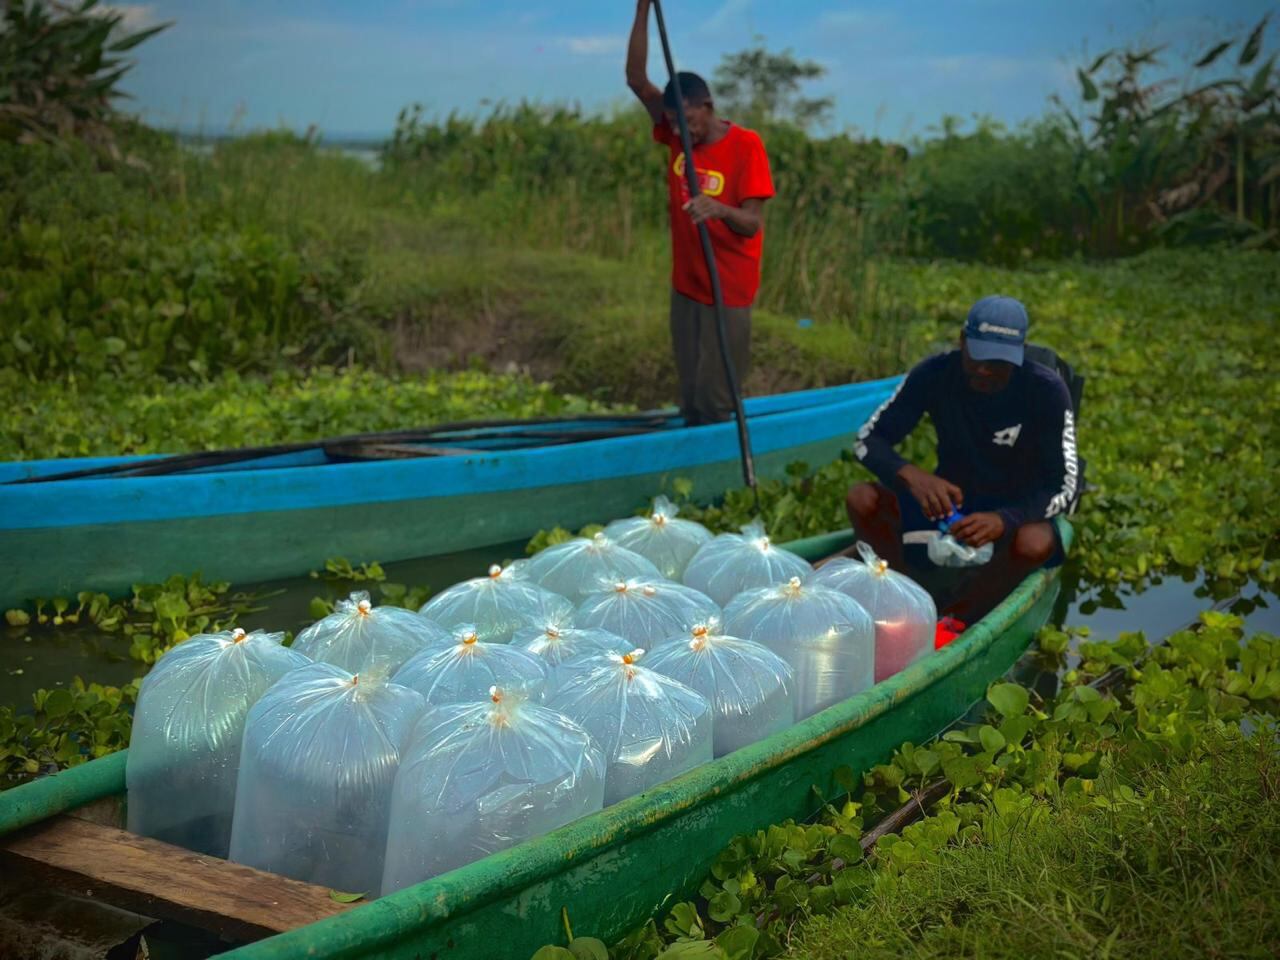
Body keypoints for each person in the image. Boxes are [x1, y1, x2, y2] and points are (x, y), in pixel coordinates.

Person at [847, 295, 1079, 621]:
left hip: (1012, 516)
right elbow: (868, 440)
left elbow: (1066, 487)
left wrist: (1004, 520)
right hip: (950, 512)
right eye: (977, 357)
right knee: (862, 498)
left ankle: (961, 615)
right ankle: (899, 601)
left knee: (1034, 543)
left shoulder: (1046, 391)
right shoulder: (935, 373)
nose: (984, 370)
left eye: (998, 362)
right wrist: (912, 475)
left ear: (1019, 353)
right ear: (962, 341)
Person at [625, 0, 775, 425]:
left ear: (707, 107)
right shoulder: (675, 134)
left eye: (687, 121)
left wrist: (718, 209)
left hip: (728, 290)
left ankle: (723, 471)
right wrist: (642, 10)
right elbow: (637, 80)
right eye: (673, 123)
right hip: (686, 284)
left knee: (715, 398)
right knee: (690, 396)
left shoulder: (746, 146)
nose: (678, 132)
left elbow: (752, 224)